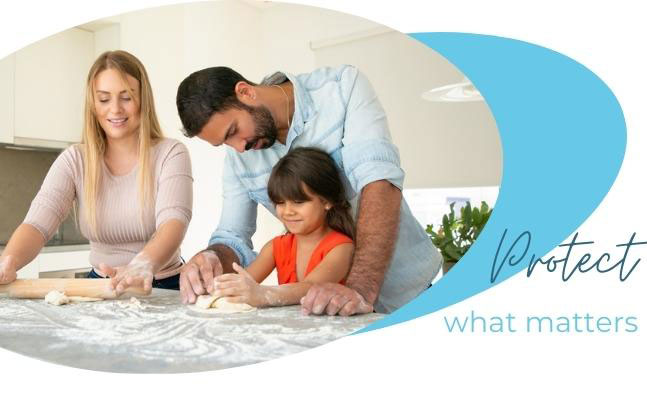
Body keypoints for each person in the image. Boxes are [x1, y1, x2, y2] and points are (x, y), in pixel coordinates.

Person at [176, 64, 441, 315]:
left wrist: (359, 289)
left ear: (245, 92)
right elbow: (232, 235)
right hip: (324, 314)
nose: (238, 148)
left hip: (407, 294)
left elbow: (379, 182)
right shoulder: (239, 156)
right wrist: (210, 257)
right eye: (224, 143)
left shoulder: (342, 88)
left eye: (234, 131)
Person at [0, 50, 193, 293]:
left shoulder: (171, 153)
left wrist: (142, 266)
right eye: (104, 99)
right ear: (93, 104)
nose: (115, 109)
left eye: (126, 97)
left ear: (143, 100)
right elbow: (37, 224)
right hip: (100, 286)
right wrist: (9, 261)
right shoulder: (75, 160)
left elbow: (173, 222)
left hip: (162, 285)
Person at [211, 147, 354, 307]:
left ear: (326, 201)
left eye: (298, 202)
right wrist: (222, 287)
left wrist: (263, 293)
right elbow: (247, 281)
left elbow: (311, 288)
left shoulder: (342, 248)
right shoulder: (276, 247)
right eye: (280, 202)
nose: (287, 211)